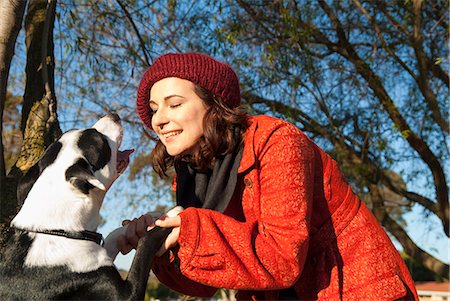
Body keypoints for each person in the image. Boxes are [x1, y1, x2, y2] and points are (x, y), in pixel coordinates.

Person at [118, 52, 418, 300]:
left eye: (174, 104)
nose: (158, 120)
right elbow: (203, 284)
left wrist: (190, 229)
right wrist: (159, 243)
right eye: (154, 109)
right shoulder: (194, 173)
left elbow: (283, 258)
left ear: (213, 103)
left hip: (350, 287)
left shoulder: (278, 142)